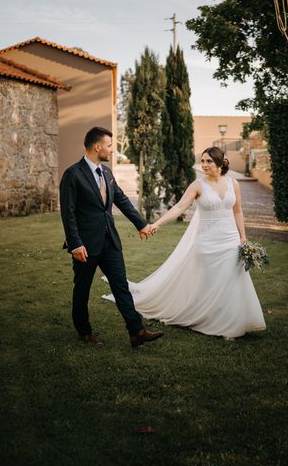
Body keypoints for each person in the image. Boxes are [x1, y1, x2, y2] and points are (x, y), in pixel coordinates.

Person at [103, 146, 266, 339]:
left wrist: (243, 236)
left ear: (220, 163)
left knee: (232, 282)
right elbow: (179, 207)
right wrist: (156, 224)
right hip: (207, 242)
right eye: (202, 161)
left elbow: (237, 211)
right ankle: (210, 318)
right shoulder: (198, 185)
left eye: (209, 161)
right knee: (211, 283)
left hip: (230, 240)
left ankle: (231, 322)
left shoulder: (233, 184)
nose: (204, 165)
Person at [59, 126, 164, 347]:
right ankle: (84, 331)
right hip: (85, 246)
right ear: (97, 147)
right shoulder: (73, 174)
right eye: (109, 146)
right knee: (82, 289)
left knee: (120, 286)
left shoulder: (106, 172)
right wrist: (75, 244)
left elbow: (122, 200)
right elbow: (68, 213)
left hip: (110, 242)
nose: (112, 150)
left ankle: (136, 331)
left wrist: (141, 224)